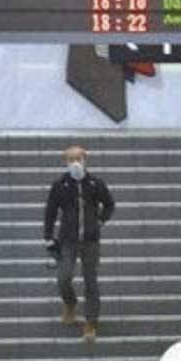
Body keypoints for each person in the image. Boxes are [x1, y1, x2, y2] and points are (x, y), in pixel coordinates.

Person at [43, 145, 115, 345]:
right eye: (71, 159)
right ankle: (70, 303)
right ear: (65, 162)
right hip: (67, 240)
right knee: (63, 277)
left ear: (85, 159)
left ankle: (91, 323)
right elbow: (50, 212)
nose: (75, 163)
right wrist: (48, 237)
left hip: (90, 241)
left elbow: (109, 204)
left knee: (91, 281)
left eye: (78, 159)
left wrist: (100, 220)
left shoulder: (95, 183)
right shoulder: (60, 185)